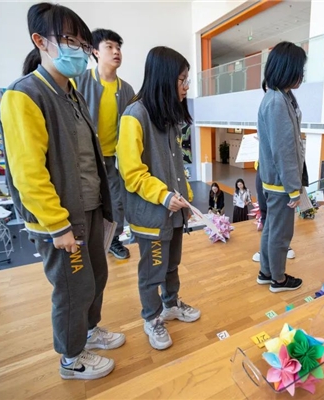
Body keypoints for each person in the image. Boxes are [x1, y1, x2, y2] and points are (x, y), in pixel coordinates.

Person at [0, 3, 124, 380]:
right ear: (40, 41)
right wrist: (57, 225)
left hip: (88, 208)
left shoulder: (72, 93)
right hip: (61, 218)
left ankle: (88, 333)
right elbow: (28, 173)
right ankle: (71, 359)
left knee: (96, 277)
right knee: (73, 289)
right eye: (69, 40)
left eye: (82, 43)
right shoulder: (24, 95)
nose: (78, 50)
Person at [116, 46, 200, 351]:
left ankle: (171, 304)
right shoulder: (134, 116)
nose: (186, 87)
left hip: (175, 212)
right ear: (165, 79)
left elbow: (178, 168)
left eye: (186, 80)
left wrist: (186, 200)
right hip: (152, 215)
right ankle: (152, 318)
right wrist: (163, 196)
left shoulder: (168, 116)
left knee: (172, 265)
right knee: (152, 271)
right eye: (182, 80)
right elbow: (131, 173)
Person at [73, 29, 135, 260]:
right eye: (109, 46)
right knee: (86, 201)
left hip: (113, 159)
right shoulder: (79, 81)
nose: (116, 51)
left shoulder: (126, 89)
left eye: (118, 47)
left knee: (116, 203)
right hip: (85, 158)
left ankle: (114, 240)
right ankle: (86, 243)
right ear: (95, 51)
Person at [257, 41, 306, 293]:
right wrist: (293, 189)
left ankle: (266, 272)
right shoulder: (276, 101)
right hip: (280, 182)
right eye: (300, 69)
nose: (302, 75)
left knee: (272, 228)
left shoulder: (280, 96)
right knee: (281, 233)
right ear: (287, 69)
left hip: (275, 180)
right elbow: (284, 150)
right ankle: (278, 279)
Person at [252, 162, 296, 262]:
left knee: (283, 213)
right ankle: (265, 249)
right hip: (263, 168)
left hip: (281, 170)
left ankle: (285, 246)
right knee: (265, 212)